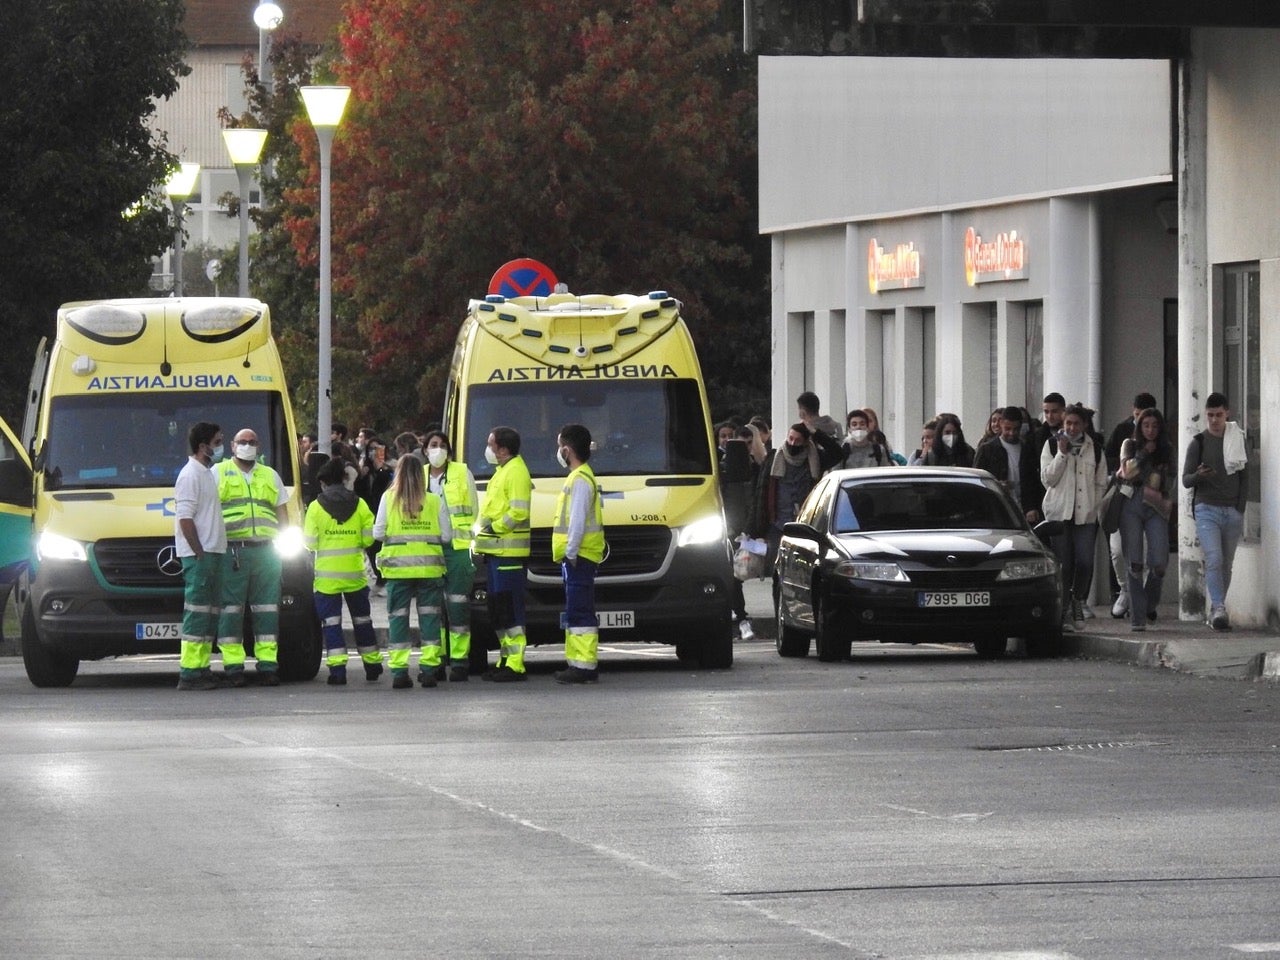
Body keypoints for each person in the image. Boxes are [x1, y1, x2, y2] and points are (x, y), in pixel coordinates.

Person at [214, 427, 290, 686]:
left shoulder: (270, 475)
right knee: (231, 611)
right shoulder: (218, 473)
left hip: (267, 551)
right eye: (242, 441)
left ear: (259, 447)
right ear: (232, 446)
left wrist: (285, 540)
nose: (247, 445)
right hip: (232, 551)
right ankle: (233, 667)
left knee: (267, 610)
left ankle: (268, 666)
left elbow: (282, 513)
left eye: (252, 441)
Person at [373, 456, 451, 688]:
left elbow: (377, 534)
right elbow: (446, 536)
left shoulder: (389, 498)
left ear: (398, 473)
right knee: (429, 619)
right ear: (422, 474)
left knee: (398, 620)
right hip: (429, 569)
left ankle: (399, 672)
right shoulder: (435, 500)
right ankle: (428, 669)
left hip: (398, 570)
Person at [304, 457, 382, 684]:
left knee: (332, 624)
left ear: (324, 483)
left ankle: (338, 672)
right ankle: (372, 663)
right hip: (355, 575)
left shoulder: (316, 508)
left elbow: (310, 543)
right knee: (362, 621)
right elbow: (369, 539)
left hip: (327, 579)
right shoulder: (359, 504)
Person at [1182, 391, 1248, 630]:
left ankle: (1217, 606)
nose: (1214, 420)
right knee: (1214, 558)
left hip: (1232, 509)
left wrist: (1240, 507)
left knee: (1226, 563)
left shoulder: (1237, 438)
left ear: (1226, 413)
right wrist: (1199, 475)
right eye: (1210, 415)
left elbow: (1245, 476)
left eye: (1218, 415)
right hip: (1206, 508)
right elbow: (1186, 480)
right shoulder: (1198, 443)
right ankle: (1219, 607)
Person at [1040, 403, 1108, 631]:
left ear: (1084, 425)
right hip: (1060, 513)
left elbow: (1100, 483)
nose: (1071, 427)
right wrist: (1062, 453)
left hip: (1086, 514)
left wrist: (1094, 506)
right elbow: (1048, 479)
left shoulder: (1095, 449)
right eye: (1068, 423)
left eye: (1076, 423)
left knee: (1085, 561)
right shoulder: (1051, 446)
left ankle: (1079, 598)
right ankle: (1066, 608)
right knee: (1064, 564)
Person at [474, 425, 533, 681]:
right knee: (499, 611)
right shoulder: (502, 471)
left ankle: (515, 664)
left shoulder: (516, 472)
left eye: (491, 444)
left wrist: (493, 529)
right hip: (496, 553)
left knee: (510, 611)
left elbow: (519, 512)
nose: (488, 449)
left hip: (508, 552)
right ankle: (506, 659)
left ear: (504, 449)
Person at [174, 422, 227, 691]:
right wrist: (199, 553)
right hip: (200, 556)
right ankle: (190, 672)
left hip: (212, 554)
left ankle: (201, 667)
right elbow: (185, 520)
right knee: (196, 615)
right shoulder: (190, 475)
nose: (221, 446)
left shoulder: (206, 473)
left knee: (209, 615)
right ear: (202, 446)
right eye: (217, 442)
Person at [552, 424, 606, 684]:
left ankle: (583, 666)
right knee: (575, 610)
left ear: (567, 449)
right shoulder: (580, 477)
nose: (558, 452)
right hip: (579, 556)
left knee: (580, 611)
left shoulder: (580, 480)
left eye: (559, 446)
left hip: (579, 556)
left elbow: (577, 522)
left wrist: (571, 553)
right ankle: (577, 663)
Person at [423, 430, 478, 681]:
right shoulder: (418, 475)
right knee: (432, 608)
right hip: (428, 548)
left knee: (457, 606)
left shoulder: (461, 473)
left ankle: (459, 661)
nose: (438, 450)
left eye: (442, 445)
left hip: (457, 548)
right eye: (433, 445)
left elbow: (473, 510)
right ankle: (436, 659)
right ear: (425, 450)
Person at [1116, 408, 1174, 632]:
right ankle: (1137, 617)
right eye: (1146, 425)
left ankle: (1149, 603)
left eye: (1154, 426)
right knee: (1135, 562)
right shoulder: (1129, 445)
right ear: (1139, 427)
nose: (1150, 430)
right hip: (1131, 504)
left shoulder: (1166, 449)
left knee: (1159, 562)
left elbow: (1170, 480)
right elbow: (1127, 472)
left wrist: (1163, 494)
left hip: (1156, 506)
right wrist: (1142, 454)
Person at [1104, 391, 1159, 618]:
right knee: (1117, 551)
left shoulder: (1163, 443)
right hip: (1124, 500)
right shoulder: (1126, 439)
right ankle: (1124, 590)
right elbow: (1126, 471)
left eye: (1145, 419)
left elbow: (1163, 478)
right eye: (1137, 417)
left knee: (1144, 554)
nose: (1140, 424)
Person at [766, 423, 822, 611]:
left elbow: (836, 452)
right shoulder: (777, 457)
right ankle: (778, 606)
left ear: (806, 443)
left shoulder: (813, 458)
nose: (792, 443)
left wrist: (815, 431)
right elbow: (764, 490)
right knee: (776, 569)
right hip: (779, 522)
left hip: (804, 524)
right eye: (790, 438)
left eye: (797, 440)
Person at [973, 406, 1045, 523]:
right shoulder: (987, 449)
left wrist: (1032, 507)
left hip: (1024, 510)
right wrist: (996, 485)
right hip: (997, 508)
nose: (1011, 433)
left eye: (1016, 429)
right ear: (1001, 424)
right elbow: (977, 480)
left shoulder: (1026, 449)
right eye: (1007, 429)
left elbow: (1032, 481)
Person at [814, 409, 893, 471]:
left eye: (862, 424)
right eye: (854, 424)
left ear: (867, 427)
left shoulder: (879, 450)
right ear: (849, 429)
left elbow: (886, 475)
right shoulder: (843, 450)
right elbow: (837, 476)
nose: (858, 427)